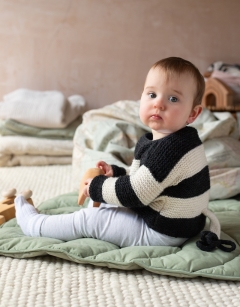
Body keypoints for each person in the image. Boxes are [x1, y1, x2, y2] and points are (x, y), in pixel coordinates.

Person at [14, 57, 235, 252]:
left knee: (93, 219)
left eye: (173, 99)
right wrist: (116, 173)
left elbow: (137, 193)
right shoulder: (164, 140)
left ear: (193, 114)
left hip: (163, 232)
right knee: (110, 201)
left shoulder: (173, 149)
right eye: (152, 94)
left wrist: (97, 187)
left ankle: (35, 225)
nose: (158, 103)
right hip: (170, 217)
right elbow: (147, 178)